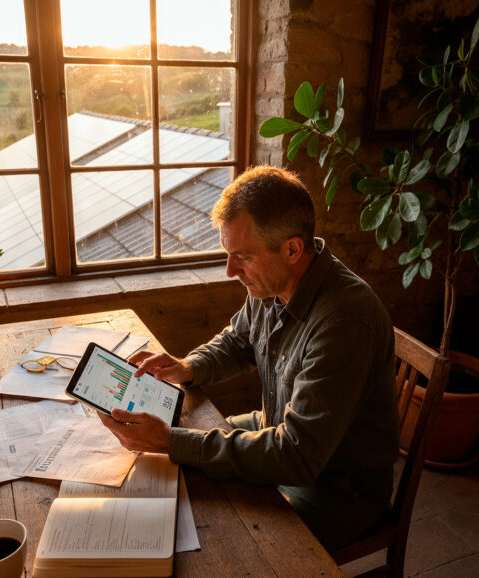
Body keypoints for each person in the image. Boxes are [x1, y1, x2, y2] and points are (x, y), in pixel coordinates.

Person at [98, 165, 399, 551]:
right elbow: (239, 341)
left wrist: (172, 441)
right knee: (170, 464)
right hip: (275, 431)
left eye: (241, 256)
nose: (229, 271)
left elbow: (295, 457)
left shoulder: (344, 322)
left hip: (336, 489)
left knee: (223, 536)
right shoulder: (272, 282)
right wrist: (187, 366)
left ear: (292, 249)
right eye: (227, 254)